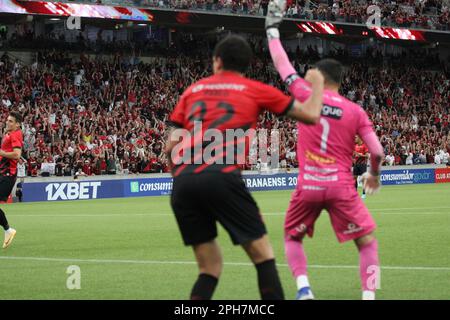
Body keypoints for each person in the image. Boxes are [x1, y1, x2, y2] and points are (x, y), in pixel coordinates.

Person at [166, 34, 325, 300]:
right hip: (221, 176)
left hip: (182, 182)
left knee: (209, 267)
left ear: (217, 61)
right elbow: (311, 115)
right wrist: (318, 84)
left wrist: (183, 175)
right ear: (247, 64)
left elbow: (171, 145)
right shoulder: (255, 88)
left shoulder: (192, 91)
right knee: (263, 255)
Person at [266, 0, 385, 300]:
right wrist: (373, 175)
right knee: (367, 242)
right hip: (341, 187)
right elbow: (377, 151)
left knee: (292, 237)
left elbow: (283, 66)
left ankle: (304, 290)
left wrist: (271, 31)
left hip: (308, 185)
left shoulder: (305, 93)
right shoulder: (356, 111)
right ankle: (369, 296)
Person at [0, 112, 24, 249]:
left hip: (8, 176)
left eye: (11, 121)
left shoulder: (15, 135)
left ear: (17, 124)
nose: (7, 122)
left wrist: (2, 153)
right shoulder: (8, 133)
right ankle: (8, 230)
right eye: (7, 120)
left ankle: (8, 230)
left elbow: (16, 154)